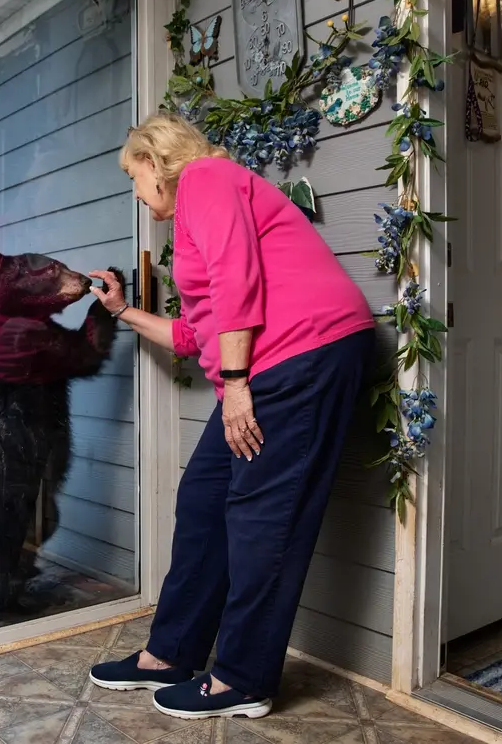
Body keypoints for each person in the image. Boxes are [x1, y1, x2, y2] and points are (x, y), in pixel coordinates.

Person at [86, 112, 376, 721]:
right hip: (270, 363)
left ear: (157, 163)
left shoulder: (208, 179)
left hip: (305, 355)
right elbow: (195, 333)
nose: (135, 192)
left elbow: (239, 280)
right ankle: (171, 654)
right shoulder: (197, 206)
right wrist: (122, 311)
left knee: (264, 517)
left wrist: (238, 383)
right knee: (203, 499)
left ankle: (243, 680)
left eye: (133, 177)